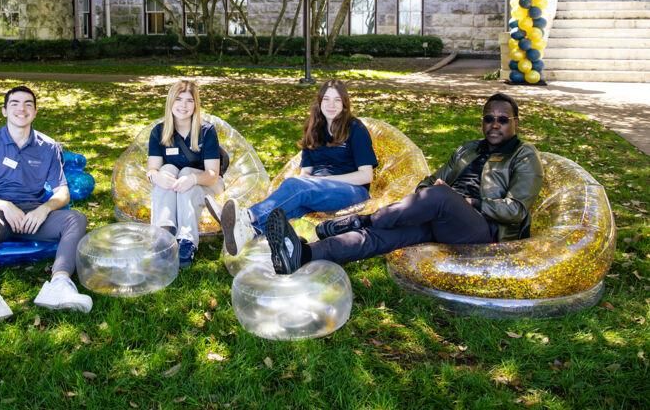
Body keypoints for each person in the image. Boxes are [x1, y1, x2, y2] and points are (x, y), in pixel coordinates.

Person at [266, 93, 544, 275]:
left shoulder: (524, 155)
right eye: (489, 118)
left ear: (515, 123)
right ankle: (302, 254)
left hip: (484, 231)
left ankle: (362, 219)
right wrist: (435, 196)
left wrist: (466, 202)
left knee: (438, 197)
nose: (495, 125)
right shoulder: (467, 149)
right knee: (385, 235)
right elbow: (426, 184)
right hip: (444, 216)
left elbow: (517, 211)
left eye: (503, 120)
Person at [0, 85, 91, 330]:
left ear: (35, 111)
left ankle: (59, 285)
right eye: (15, 104)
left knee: (76, 219)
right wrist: (4, 206)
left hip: (34, 215)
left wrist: (44, 209)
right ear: (4, 111)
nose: (21, 109)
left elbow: (62, 192)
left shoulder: (49, 146)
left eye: (28, 104)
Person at [208, 79, 376, 256]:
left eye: (337, 100)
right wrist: (308, 182)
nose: (331, 105)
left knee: (297, 186)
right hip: (318, 190)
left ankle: (247, 216)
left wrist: (319, 181)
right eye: (326, 99)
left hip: (353, 191)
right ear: (319, 102)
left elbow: (366, 176)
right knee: (292, 206)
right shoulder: (314, 128)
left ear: (344, 103)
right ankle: (250, 232)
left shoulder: (355, 128)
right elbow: (306, 173)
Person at [146, 80, 224, 267]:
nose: (183, 105)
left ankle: (186, 241)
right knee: (166, 170)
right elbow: (152, 168)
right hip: (175, 184)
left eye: (189, 101)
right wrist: (157, 177)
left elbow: (213, 174)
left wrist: (191, 178)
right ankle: (163, 234)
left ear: (195, 105)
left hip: (207, 183)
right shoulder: (159, 132)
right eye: (179, 99)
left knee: (187, 172)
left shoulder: (206, 131)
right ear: (170, 102)